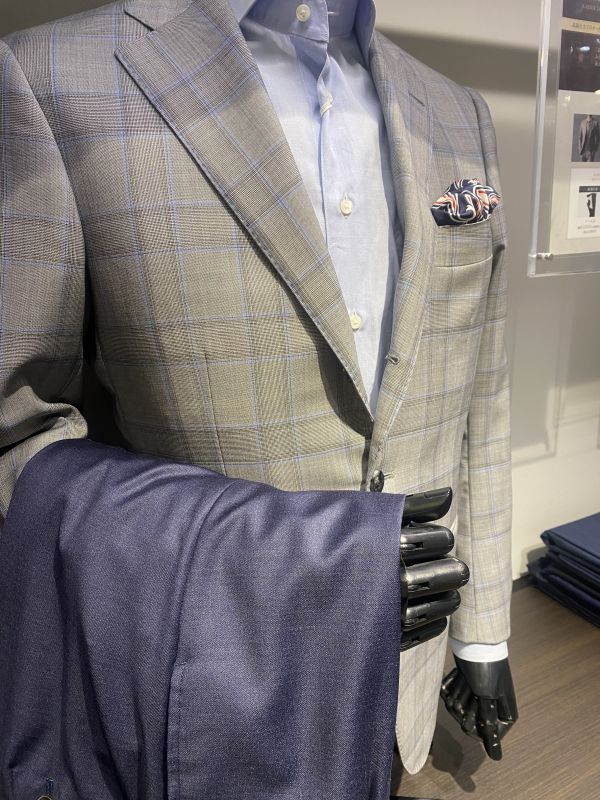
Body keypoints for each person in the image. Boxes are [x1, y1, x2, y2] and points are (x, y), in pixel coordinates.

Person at [0, 0, 515, 788]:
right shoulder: (52, 78)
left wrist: (483, 635)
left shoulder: (459, 112)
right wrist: (272, 560)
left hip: (411, 685)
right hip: (206, 704)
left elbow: (482, 391)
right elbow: (19, 441)